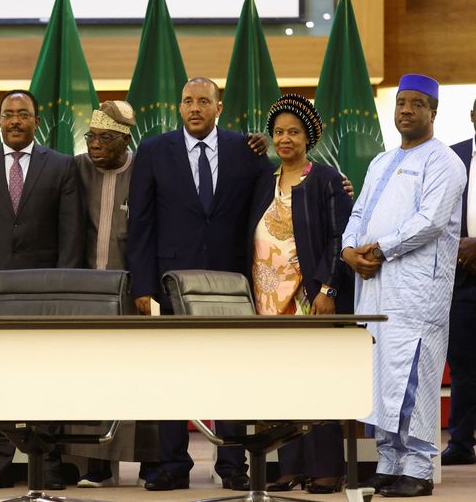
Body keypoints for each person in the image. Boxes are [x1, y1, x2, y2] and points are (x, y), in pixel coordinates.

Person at [127, 77, 274, 491]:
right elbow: (140, 222)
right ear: (179, 107)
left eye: (203, 101)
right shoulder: (154, 151)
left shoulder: (246, 150)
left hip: (230, 283)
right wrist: (142, 286)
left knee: (231, 374)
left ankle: (232, 466)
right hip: (169, 283)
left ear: (218, 107)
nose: (195, 107)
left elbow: (273, 197)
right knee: (171, 374)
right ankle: (173, 465)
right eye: (188, 101)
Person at [0, 89, 85, 491]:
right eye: (8, 114)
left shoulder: (61, 166)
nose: (14, 121)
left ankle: (48, 461)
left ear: (36, 121)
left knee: (47, 375)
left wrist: (65, 289)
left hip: (44, 291)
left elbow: (72, 233)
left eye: (23, 114)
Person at [342, 74, 467, 497]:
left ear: (433, 111)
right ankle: (389, 462)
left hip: (416, 291)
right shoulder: (380, 161)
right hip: (375, 287)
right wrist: (348, 250)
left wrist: (378, 251)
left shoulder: (445, 162)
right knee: (380, 379)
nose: (407, 110)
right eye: (400, 103)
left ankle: (417, 468)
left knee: (413, 376)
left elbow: (429, 222)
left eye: (417, 104)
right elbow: (358, 213)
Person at [249, 94, 353, 494]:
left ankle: (327, 468)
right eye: (278, 132)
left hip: (310, 299)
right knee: (279, 383)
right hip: (266, 302)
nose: (285, 138)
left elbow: (339, 237)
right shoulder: (264, 181)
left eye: (293, 131)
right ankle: (289, 466)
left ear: (307, 136)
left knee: (317, 380)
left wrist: (329, 287)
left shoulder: (326, 179)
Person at [69, 100, 160, 487]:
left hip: (132, 294)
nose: (95, 145)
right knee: (91, 378)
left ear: (125, 139)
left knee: (140, 377)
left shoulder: (144, 169)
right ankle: (95, 465)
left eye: (105, 138)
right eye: (91, 137)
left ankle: (151, 462)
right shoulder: (76, 169)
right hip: (88, 294)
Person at [441, 98, 476, 466]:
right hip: (460, 277)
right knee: (464, 364)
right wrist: (460, 249)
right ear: (472, 116)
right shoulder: (452, 158)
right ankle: (461, 443)